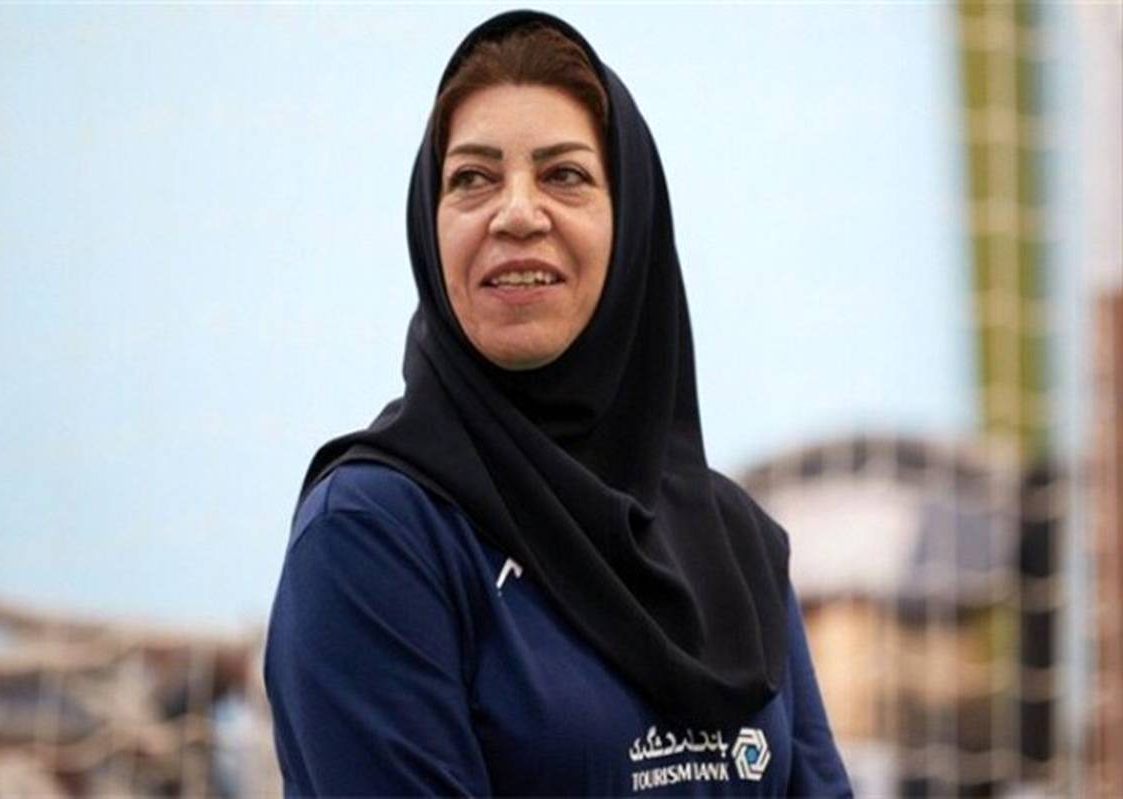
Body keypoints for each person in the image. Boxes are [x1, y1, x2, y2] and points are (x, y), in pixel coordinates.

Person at [264, 10, 852, 797]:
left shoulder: (734, 541)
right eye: (471, 178)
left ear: (632, 222)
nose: (515, 212)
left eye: (564, 175)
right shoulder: (375, 534)